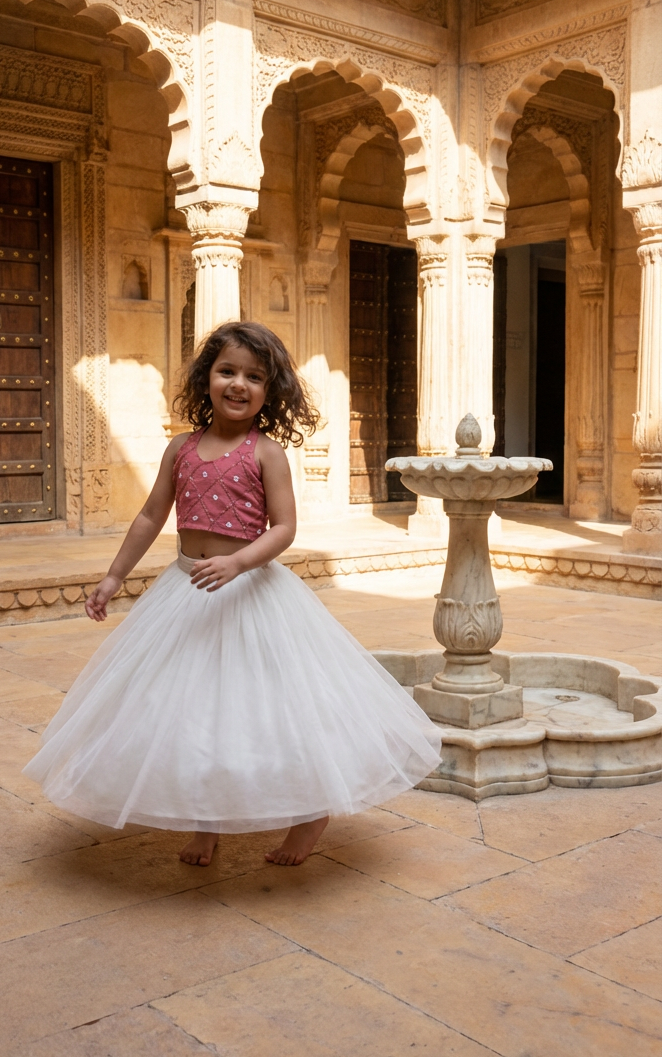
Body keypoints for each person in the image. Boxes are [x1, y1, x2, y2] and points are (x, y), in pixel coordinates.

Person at [23, 321, 441, 867]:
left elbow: (284, 527)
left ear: (271, 392)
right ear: (206, 380)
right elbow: (152, 515)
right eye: (227, 371)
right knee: (194, 711)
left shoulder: (265, 453)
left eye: (254, 376)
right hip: (187, 591)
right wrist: (113, 577)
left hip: (250, 591)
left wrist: (239, 562)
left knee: (272, 708)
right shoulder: (182, 448)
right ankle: (206, 822)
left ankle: (308, 815)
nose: (238, 384)